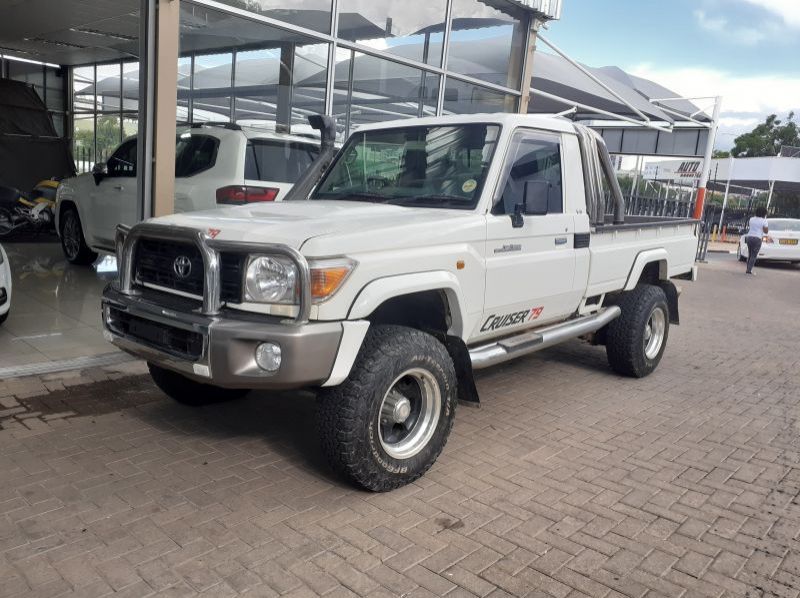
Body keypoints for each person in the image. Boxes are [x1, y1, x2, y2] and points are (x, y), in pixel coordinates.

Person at [744, 206, 769, 275]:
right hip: (757, 238)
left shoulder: (751, 219)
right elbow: (766, 231)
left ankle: (748, 268)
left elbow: (751, 227)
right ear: (764, 213)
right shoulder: (764, 221)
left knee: (750, 254)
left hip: (749, 237)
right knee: (754, 255)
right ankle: (749, 270)